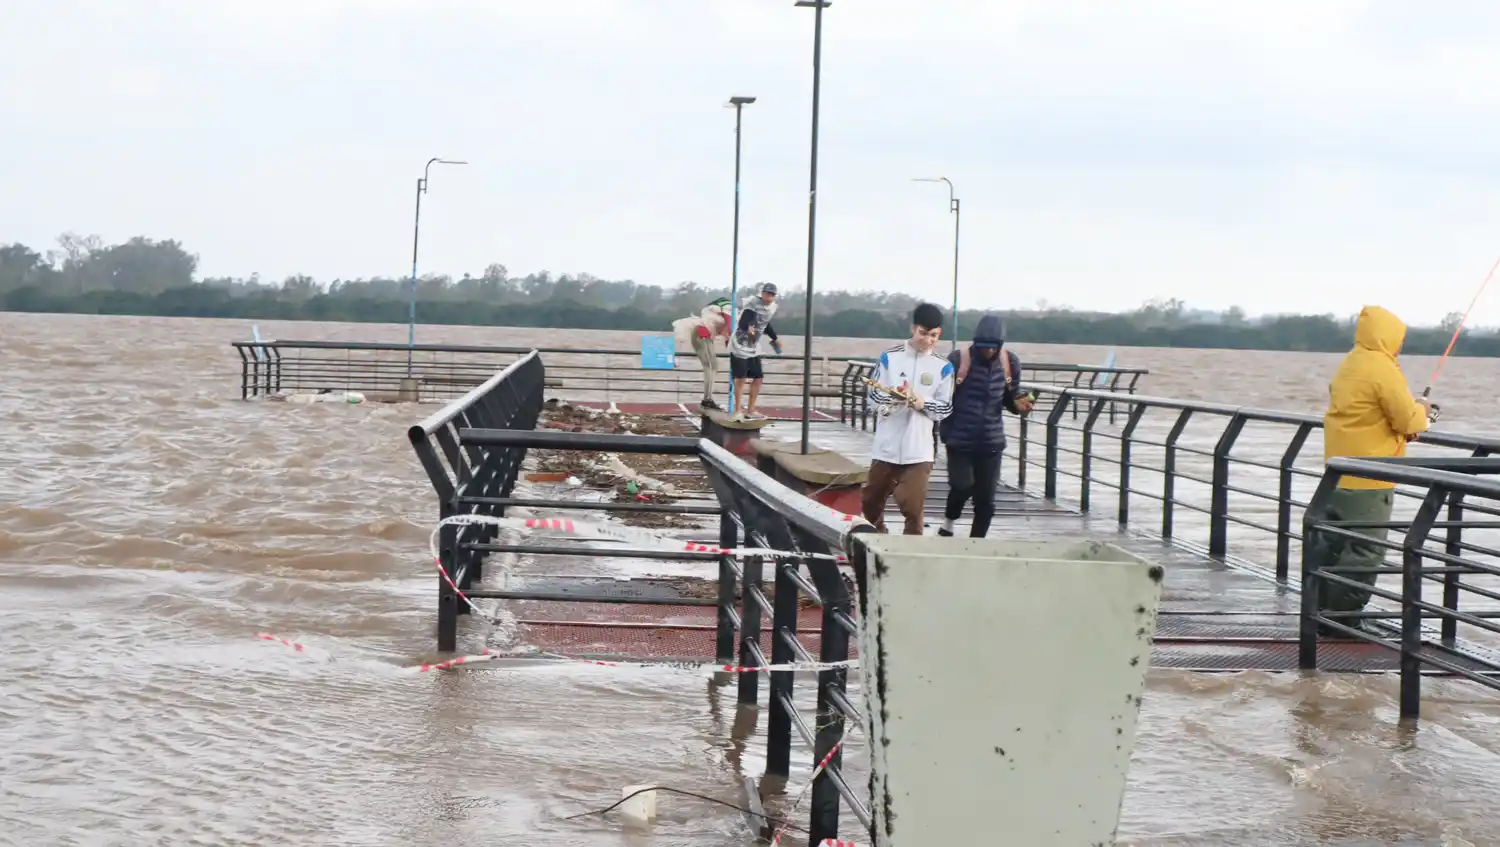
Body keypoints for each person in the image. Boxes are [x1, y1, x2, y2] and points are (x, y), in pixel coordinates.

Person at [1307, 305, 1432, 634]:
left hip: (1338, 472)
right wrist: (1423, 411)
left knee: (1332, 545)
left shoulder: (1351, 363)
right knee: (1366, 550)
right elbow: (1406, 418)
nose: (1400, 346)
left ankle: (1319, 611)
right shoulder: (1382, 368)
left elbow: (1367, 415)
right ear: (1387, 337)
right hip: (1369, 477)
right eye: (1399, 339)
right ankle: (1342, 620)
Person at [936, 315, 1036, 538]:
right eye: (983, 347)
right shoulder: (957, 360)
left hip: (991, 441)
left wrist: (1023, 404)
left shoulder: (1010, 362)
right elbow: (940, 397)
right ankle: (948, 523)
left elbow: (1011, 400)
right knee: (962, 486)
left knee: (986, 500)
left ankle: (976, 544)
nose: (988, 352)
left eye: (993, 348)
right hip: (959, 439)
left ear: (1000, 344)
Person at [860, 303, 955, 535]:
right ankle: (878, 538)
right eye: (923, 333)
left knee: (912, 508)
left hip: (919, 450)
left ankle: (910, 556)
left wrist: (922, 403)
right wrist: (891, 401)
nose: (927, 340)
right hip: (886, 447)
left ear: (939, 334)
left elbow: (945, 408)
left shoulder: (944, 367)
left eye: (933, 335)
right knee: (870, 504)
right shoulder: (889, 358)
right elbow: (872, 395)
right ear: (913, 328)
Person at [730, 282, 782, 420]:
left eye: (772, 294)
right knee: (740, 379)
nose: (769, 297)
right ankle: (737, 410)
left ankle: (751, 409)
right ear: (762, 293)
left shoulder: (771, 308)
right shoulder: (752, 303)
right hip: (740, 344)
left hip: (754, 346)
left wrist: (775, 338)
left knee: (758, 377)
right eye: (767, 293)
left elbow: (766, 324)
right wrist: (750, 326)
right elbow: (745, 319)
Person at [671, 296, 733, 410]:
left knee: (712, 366)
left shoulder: (717, 309)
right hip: (702, 333)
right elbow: (728, 328)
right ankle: (707, 399)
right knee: (711, 366)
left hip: (703, 333)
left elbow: (726, 330)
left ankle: (708, 398)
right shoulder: (729, 308)